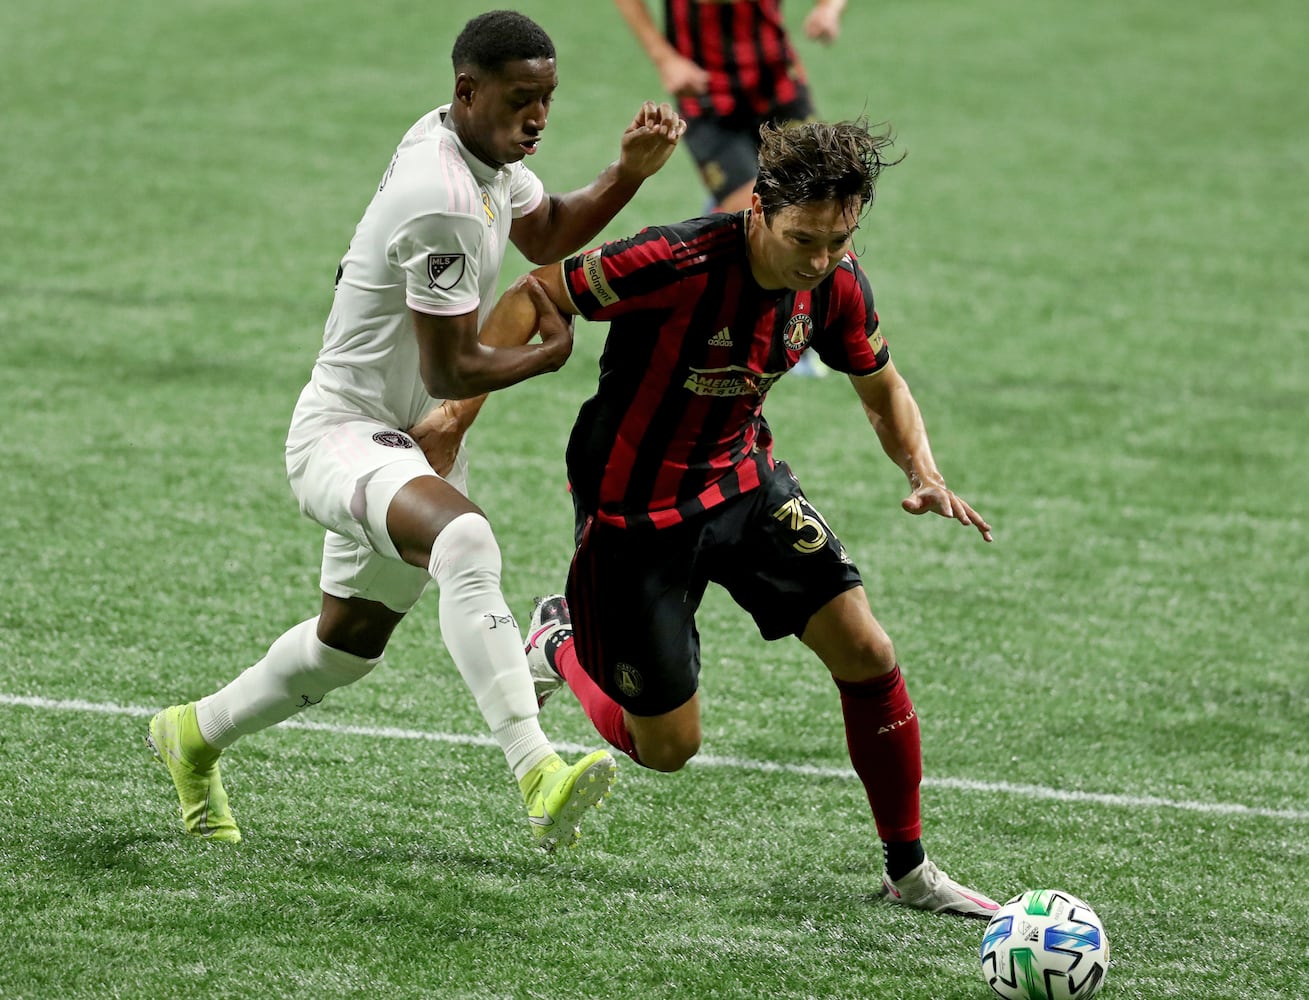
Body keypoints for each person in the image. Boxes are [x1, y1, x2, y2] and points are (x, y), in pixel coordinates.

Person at [145, 10, 686, 852]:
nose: (537, 117)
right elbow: (452, 372)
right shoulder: (441, 202)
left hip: (406, 440)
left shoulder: (476, 150)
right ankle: (537, 770)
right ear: (467, 91)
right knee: (465, 541)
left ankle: (191, 736)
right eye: (520, 99)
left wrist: (625, 174)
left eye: (546, 98)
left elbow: (544, 230)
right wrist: (546, 356)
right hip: (343, 434)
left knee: (345, 648)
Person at [458, 117, 1003, 915]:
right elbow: (537, 288)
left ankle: (909, 871)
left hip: (744, 486)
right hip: (632, 514)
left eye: (839, 241)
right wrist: (454, 414)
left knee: (866, 649)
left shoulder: (836, 282)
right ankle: (558, 639)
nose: (819, 262)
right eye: (804, 240)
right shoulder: (675, 259)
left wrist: (924, 470)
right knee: (667, 749)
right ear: (758, 209)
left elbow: (881, 383)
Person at [612, 0, 840, 377]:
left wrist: (830, 8)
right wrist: (664, 58)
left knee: (810, 204)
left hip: (776, 82)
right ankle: (763, 332)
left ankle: (795, 329)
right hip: (706, 93)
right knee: (762, 217)